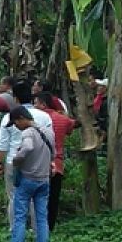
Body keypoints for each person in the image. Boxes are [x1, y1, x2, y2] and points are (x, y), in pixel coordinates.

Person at [0, 81, 53, 227]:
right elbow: (51, 139)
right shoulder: (44, 116)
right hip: (39, 163)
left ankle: (15, 231)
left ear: (15, 98)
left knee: (14, 198)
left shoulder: (9, 117)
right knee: (37, 199)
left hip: (14, 162)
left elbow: (3, 145)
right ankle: (37, 231)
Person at [9, 105, 53, 242]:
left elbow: (27, 147)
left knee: (20, 216)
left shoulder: (28, 132)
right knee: (41, 217)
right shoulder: (48, 131)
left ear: (22, 118)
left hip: (28, 179)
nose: (16, 127)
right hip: (44, 180)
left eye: (16, 123)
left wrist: (16, 159)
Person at [34, 91, 77, 230]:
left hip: (36, 164)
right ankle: (49, 227)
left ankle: (36, 226)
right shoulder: (63, 119)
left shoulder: (34, 118)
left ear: (43, 104)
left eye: (36, 103)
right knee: (53, 198)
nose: (34, 106)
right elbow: (73, 126)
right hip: (56, 164)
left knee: (36, 197)